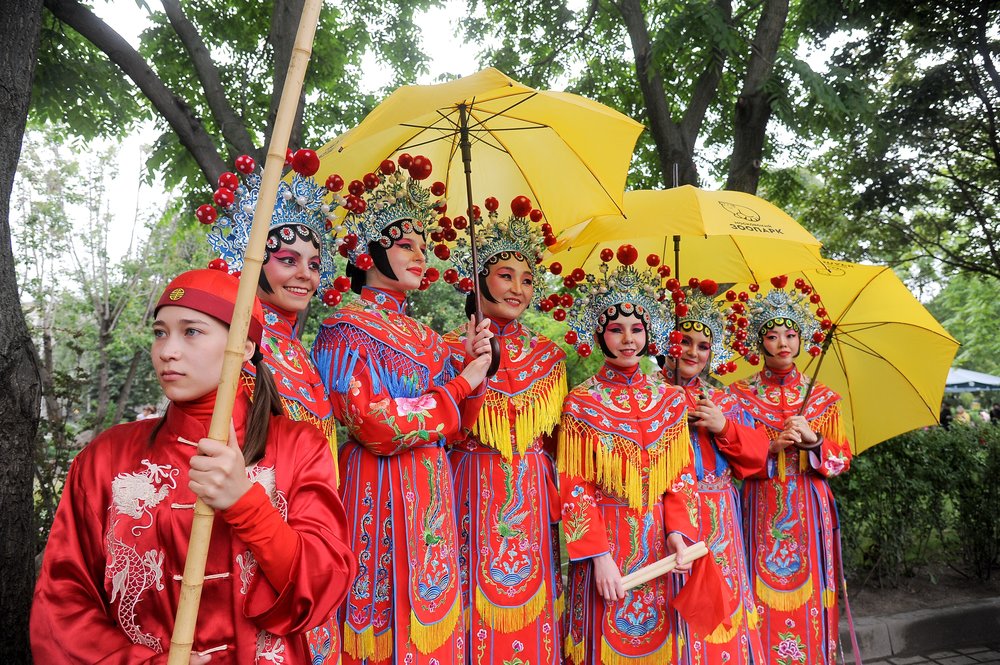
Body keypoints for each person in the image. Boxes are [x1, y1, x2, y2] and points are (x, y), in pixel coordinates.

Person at [31, 266, 356, 664]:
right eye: (160, 332)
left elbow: (323, 584)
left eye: (191, 331)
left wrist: (245, 504)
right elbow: (62, 602)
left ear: (244, 346)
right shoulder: (106, 458)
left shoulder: (299, 447)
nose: (167, 350)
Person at [310, 154, 494, 665]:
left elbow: (458, 430)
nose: (421, 256)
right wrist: (461, 384)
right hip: (376, 486)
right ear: (368, 254)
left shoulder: (429, 338)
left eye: (423, 246)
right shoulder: (344, 327)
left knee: (431, 616)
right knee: (382, 618)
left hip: (431, 485)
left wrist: (477, 367)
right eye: (407, 245)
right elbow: (372, 425)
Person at [204, 149, 347, 662]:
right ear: (252, 259)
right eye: (288, 260)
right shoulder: (237, 345)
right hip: (245, 543)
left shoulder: (300, 354)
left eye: (314, 263)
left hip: (300, 552)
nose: (305, 275)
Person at [555, 246, 713, 665]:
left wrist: (679, 535)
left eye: (637, 329)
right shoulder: (581, 402)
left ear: (651, 334)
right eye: (616, 329)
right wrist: (598, 557)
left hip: (660, 543)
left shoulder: (670, 399)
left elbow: (680, 477)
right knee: (602, 643)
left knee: (661, 646)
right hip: (606, 543)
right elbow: (575, 489)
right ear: (598, 335)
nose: (628, 339)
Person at [442, 195, 566, 663]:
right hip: (468, 489)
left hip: (533, 498)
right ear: (478, 282)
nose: (518, 288)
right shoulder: (448, 349)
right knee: (471, 600)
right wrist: (472, 368)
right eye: (505, 276)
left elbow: (556, 446)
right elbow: (442, 433)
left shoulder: (550, 358)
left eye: (528, 279)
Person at [726, 277, 854, 664]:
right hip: (759, 505)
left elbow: (840, 460)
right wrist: (771, 449)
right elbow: (733, 461)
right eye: (773, 335)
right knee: (756, 592)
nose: (783, 343)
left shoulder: (824, 397)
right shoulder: (739, 395)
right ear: (758, 342)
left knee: (815, 593)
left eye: (790, 334)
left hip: (810, 507)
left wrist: (814, 442)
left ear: (803, 340)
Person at [658, 279, 768, 664]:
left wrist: (723, 426)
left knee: (724, 607)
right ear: (664, 343)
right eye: (684, 341)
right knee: (670, 609)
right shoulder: (648, 396)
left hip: (720, 514)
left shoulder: (722, 400)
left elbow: (757, 459)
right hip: (666, 518)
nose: (692, 352)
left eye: (703, 346)